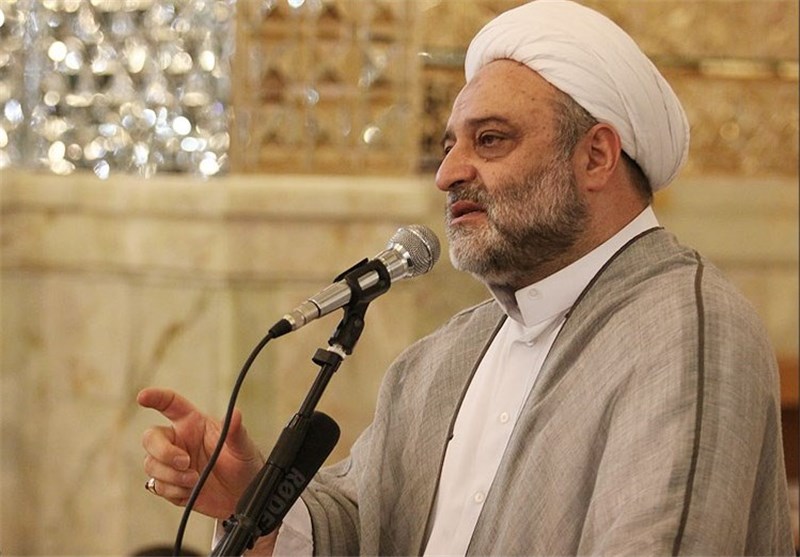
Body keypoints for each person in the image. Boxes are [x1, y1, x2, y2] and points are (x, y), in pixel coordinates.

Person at [138, 1, 794, 554]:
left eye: (490, 140)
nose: (448, 174)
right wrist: (259, 503)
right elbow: (363, 521)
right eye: (449, 143)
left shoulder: (684, 335)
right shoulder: (446, 357)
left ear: (595, 156)